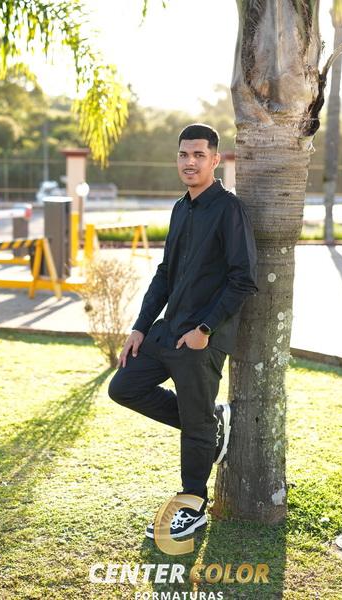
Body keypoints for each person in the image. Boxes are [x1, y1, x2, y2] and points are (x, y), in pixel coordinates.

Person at [108, 123, 258, 539]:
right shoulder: (181, 207)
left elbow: (243, 279)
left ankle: (193, 506)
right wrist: (140, 327)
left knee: (195, 423)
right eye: (183, 155)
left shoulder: (229, 209)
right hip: (166, 330)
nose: (189, 162)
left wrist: (205, 328)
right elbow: (165, 273)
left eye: (198, 155)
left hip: (200, 339)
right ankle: (208, 425)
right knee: (124, 387)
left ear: (215, 160)